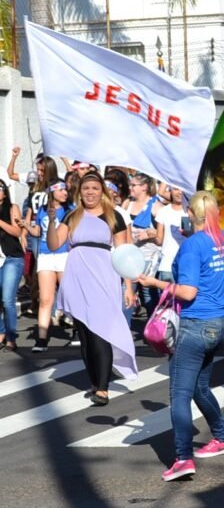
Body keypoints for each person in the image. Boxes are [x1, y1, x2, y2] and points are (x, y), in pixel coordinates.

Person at [137, 191, 224, 482]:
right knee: (200, 388)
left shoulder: (193, 246)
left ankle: (182, 458)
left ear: (191, 214)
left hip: (196, 325)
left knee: (179, 394)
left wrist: (155, 282)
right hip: (220, 323)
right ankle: (223, 437)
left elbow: (188, 291)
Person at [48, 172, 138, 405]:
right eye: (86, 188)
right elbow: (54, 244)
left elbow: (123, 254)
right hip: (76, 278)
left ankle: (104, 388)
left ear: (102, 192)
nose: (90, 192)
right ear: (80, 192)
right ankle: (95, 383)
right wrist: (51, 222)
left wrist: (128, 287)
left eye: (95, 188)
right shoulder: (72, 216)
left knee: (100, 332)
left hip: (103, 278)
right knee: (85, 335)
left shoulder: (113, 216)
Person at [24, 181, 72, 351]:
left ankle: (78, 330)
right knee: (45, 299)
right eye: (61, 190)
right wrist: (27, 226)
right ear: (51, 192)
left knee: (69, 295)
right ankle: (42, 339)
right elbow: (38, 232)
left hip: (64, 254)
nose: (64, 192)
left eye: (65, 189)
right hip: (45, 255)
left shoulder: (70, 209)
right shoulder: (43, 210)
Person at [124, 173, 164, 317]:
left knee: (148, 296)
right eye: (130, 185)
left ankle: (153, 326)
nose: (130, 188)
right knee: (126, 294)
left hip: (149, 258)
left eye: (133, 185)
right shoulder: (127, 204)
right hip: (130, 258)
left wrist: (150, 234)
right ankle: (124, 327)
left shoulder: (156, 206)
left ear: (144, 187)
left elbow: (163, 237)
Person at [0, 180, 25, 352]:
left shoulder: (12, 208)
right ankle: (1, 331)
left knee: (7, 299)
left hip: (11, 258)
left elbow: (18, 231)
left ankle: (10, 337)